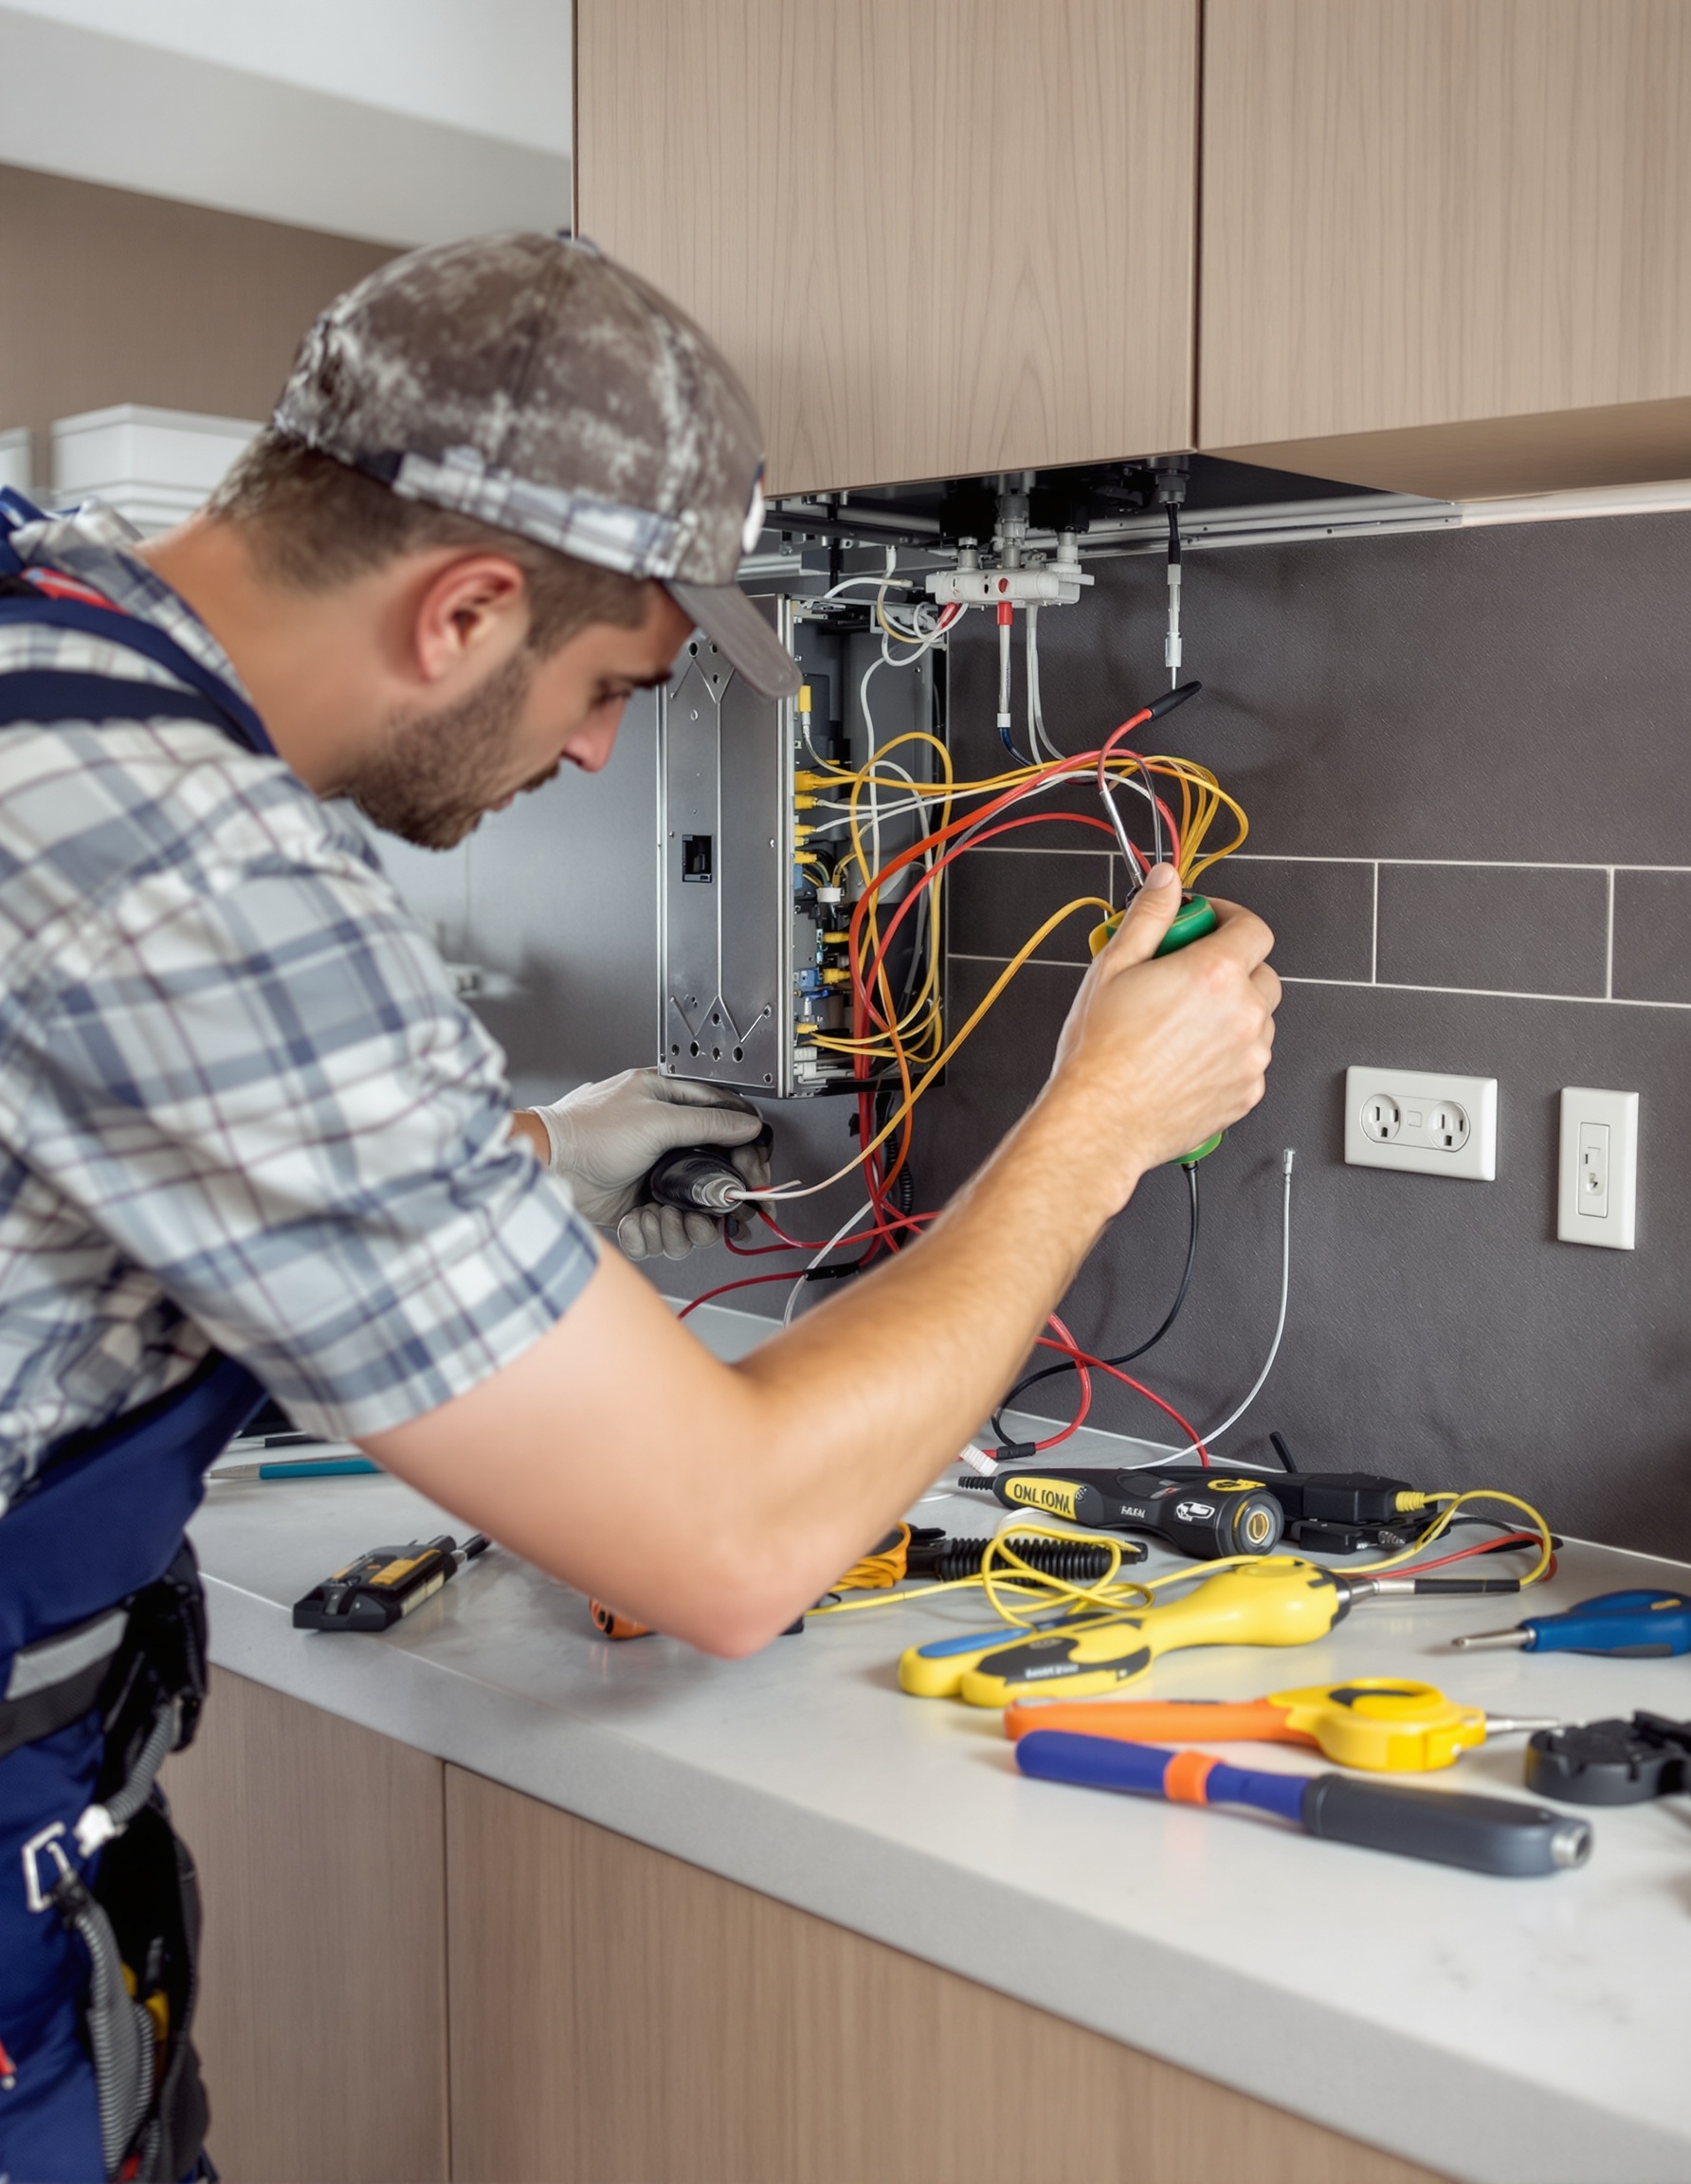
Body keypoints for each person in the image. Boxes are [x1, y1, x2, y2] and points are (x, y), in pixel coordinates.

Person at [0, 232, 1278, 2179]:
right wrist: (1101, 1117)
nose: (604, 751)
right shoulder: (192, 863)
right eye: (607, 686)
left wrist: (531, 1169)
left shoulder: (47, 630)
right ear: (465, 608)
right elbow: (729, 1542)